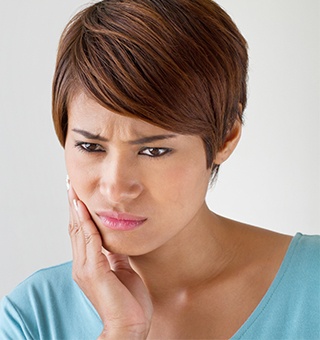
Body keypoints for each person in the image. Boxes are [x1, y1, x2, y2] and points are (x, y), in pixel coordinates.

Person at [0, 0, 319, 339]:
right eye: (91, 146)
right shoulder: (31, 319)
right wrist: (122, 330)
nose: (115, 187)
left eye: (154, 150)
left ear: (227, 136)